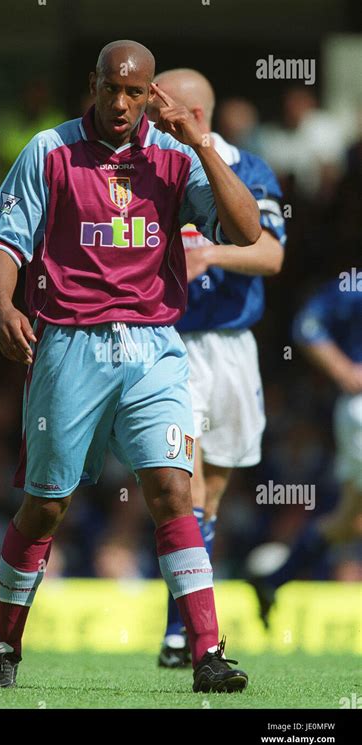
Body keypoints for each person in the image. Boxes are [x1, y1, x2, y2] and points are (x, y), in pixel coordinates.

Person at [0, 40, 261, 692]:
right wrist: (1, 307)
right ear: (95, 86)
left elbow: (245, 231)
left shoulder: (173, 157)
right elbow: (3, 240)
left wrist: (200, 142)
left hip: (154, 346)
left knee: (173, 492)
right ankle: (3, 643)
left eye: (137, 93)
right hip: (68, 343)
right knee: (46, 506)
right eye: (114, 90)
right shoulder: (50, 150)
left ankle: (206, 654)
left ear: (151, 93)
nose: (124, 103)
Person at [146, 69, 286, 667]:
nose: (149, 122)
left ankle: (181, 627)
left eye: (159, 111)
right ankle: (188, 638)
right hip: (169, 344)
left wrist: (210, 251)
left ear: (193, 116)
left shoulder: (249, 170)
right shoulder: (150, 168)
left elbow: (273, 253)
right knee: (188, 487)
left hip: (230, 347)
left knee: (213, 497)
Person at [248, 278, 362, 626]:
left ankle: (273, 580)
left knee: (348, 521)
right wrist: (344, 370)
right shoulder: (354, 285)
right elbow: (307, 325)